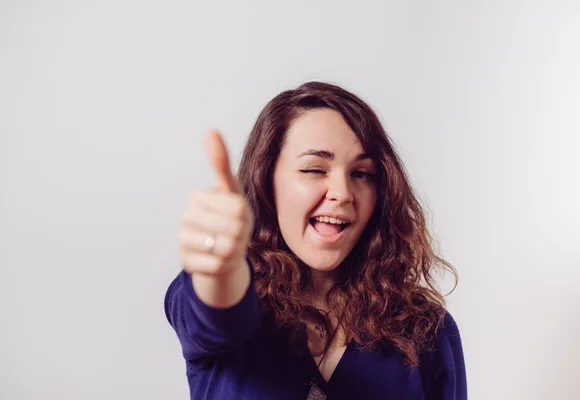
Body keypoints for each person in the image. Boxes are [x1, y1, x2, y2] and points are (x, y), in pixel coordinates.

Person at [164, 81, 467, 399]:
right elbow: (215, 312)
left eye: (362, 173)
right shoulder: (236, 303)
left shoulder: (427, 331)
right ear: (268, 182)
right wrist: (221, 267)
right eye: (313, 169)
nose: (342, 193)